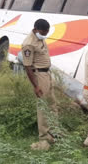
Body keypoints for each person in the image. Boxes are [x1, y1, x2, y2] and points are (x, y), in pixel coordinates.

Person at [22, 19, 58, 151]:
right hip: (39, 76)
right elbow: (28, 67)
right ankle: (44, 138)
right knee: (43, 108)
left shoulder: (39, 38)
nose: (45, 34)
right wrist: (36, 86)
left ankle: (54, 132)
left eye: (47, 32)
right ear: (35, 29)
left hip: (47, 74)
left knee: (52, 104)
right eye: (43, 32)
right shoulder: (28, 44)